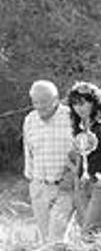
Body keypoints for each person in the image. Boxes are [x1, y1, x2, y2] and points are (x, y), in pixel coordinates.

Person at [67, 81, 101, 238]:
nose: (79, 108)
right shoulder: (80, 123)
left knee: (89, 231)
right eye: (75, 105)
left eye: (83, 103)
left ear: (94, 102)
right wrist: (77, 181)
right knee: (93, 235)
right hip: (83, 184)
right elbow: (81, 154)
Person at [22, 80, 75, 242]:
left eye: (44, 102)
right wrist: (32, 181)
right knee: (45, 240)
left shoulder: (71, 117)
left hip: (64, 187)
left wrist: (74, 174)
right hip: (39, 187)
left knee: (56, 238)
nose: (39, 106)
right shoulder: (30, 120)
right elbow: (28, 152)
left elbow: (83, 149)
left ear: (56, 99)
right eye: (35, 102)